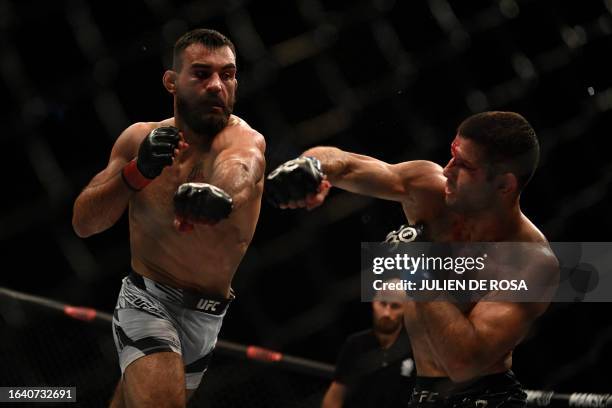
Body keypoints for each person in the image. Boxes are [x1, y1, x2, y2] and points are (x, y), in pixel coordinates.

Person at [267, 111, 558, 407]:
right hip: (423, 394)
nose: (447, 170)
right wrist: (312, 168)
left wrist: (413, 267)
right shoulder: (432, 192)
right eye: (452, 156)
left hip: (485, 399)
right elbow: (347, 164)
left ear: (504, 185)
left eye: (465, 165)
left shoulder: (531, 261)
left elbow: (463, 363)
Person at [72, 28, 266, 407]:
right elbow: (84, 223)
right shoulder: (137, 139)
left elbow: (241, 167)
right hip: (148, 300)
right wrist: (137, 172)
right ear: (171, 82)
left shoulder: (244, 139)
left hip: (208, 317)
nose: (216, 86)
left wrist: (216, 196)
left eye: (227, 74)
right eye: (201, 73)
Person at [322, 281, 414, 408]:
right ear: (374, 302)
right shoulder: (356, 344)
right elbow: (334, 396)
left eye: (395, 306)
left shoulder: (416, 348)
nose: (386, 313)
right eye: (382, 304)